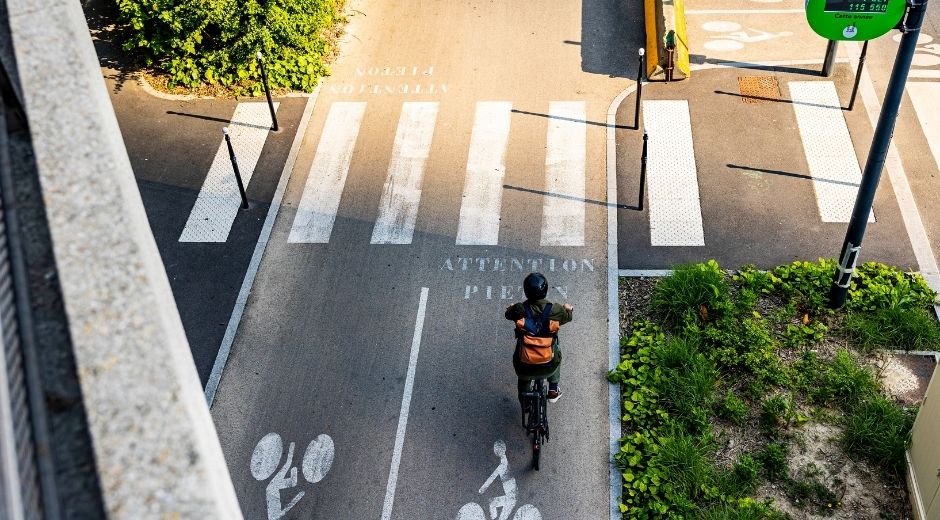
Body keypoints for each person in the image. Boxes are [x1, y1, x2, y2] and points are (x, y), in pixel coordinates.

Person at [504, 273, 573, 403]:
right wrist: (568, 309)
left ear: (526, 291)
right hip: (548, 365)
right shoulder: (555, 309)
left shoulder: (520, 309)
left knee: (523, 379)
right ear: (545, 290)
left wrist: (511, 309)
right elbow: (568, 317)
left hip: (524, 366)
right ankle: (553, 389)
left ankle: (525, 402)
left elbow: (508, 314)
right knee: (556, 354)